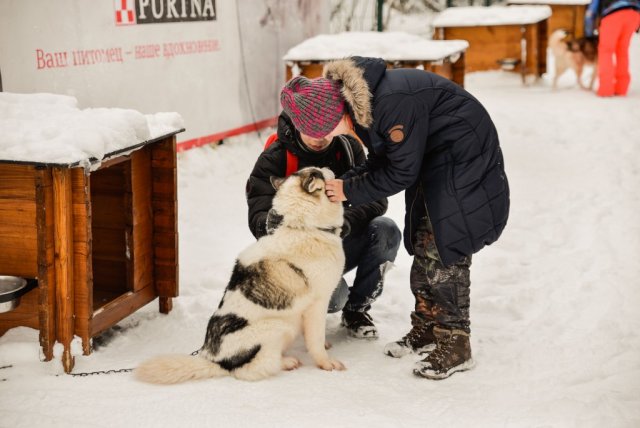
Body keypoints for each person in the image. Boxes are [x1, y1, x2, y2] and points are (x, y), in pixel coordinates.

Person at [279, 58, 510, 380]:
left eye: (320, 131)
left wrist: (349, 190)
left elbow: (400, 172)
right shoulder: (361, 106)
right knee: (423, 241)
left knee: (446, 247)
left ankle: (456, 342)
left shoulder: (389, 105)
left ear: (332, 117)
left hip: (461, 159)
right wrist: (347, 184)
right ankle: (428, 327)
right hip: (435, 160)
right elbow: (382, 160)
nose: (322, 139)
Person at [245, 77, 402, 339]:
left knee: (386, 230)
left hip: (338, 243)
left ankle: (357, 310)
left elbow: (376, 199)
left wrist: (341, 222)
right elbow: (257, 216)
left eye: (326, 128)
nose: (319, 137)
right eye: (311, 129)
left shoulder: (349, 149)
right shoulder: (275, 158)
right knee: (334, 298)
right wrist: (275, 223)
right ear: (296, 122)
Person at [585, 0, 640, 97]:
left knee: (606, 51)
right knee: (622, 51)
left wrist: (589, 34)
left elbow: (590, 12)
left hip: (613, 14)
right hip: (633, 14)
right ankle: (621, 88)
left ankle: (605, 89)